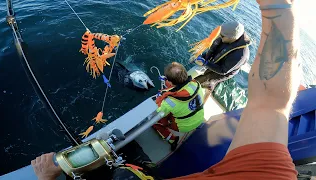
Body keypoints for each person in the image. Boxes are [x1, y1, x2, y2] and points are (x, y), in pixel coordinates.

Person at [32, 0, 300, 179]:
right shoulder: (195, 86)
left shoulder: (174, 99)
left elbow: (164, 103)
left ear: (170, 84)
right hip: (192, 114)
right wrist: (204, 58)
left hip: (195, 105)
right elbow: (271, 100)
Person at [153, 62, 205, 150]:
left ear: (171, 82)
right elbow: (179, 87)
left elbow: (158, 111)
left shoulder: (170, 102)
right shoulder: (196, 84)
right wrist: (167, 81)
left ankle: (172, 139)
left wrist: (159, 98)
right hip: (200, 118)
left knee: (154, 121)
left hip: (184, 126)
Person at [194, 21, 251, 91]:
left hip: (223, 71)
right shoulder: (226, 36)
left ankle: (208, 90)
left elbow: (223, 70)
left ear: (232, 38)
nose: (219, 36)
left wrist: (205, 63)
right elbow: (215, 48)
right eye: (220, 33)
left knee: (206, 81)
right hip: (217, 61)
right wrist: (205, 57)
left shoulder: (240, 55)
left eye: (222, 36)